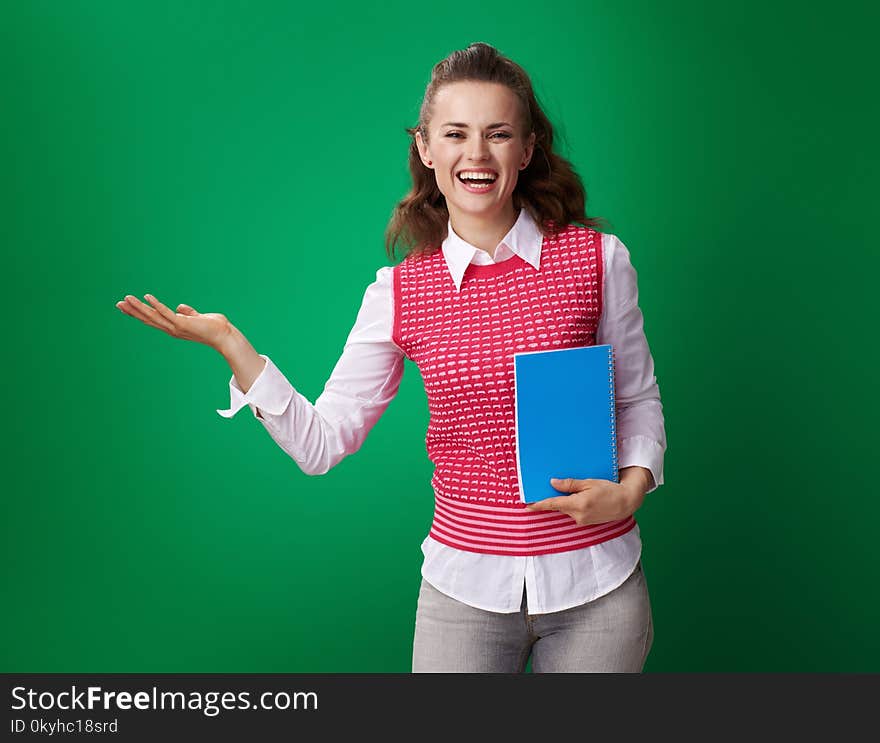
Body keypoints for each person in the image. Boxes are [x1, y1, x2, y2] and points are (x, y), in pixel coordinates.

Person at [115, 42, 666, 673]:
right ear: (427, 148)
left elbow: (636, 398)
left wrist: (632, 489)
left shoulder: (598, 259)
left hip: (598, 585)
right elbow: (322, 444)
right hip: (463, 594)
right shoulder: (399, 291)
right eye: (455, 134)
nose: (477, 155)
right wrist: (232, 346)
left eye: (498, 134)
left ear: (528, 148)